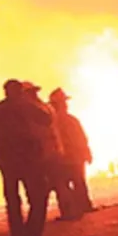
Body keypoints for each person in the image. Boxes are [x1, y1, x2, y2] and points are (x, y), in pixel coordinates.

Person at [0, 78, 53, 236]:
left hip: (6, 159)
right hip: (28, 158)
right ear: (20, 92)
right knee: (38, 197)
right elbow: (47, 119)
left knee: (13, 200)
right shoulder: (26, 106)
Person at [23, 82, 76, 220]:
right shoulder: (45, 108)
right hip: (53, 151)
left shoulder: (32, 110)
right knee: (60, 183)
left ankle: (66, 212)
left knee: (48, 186)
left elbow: (34, 133)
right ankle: (70, 211)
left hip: (42, 154)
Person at [49, 88, 96, 216]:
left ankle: (72, 210)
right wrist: (86, 152)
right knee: (72, 183)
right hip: (69, 158)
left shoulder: (54, 121)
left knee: (68, 184)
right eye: (63, 102)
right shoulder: (57, 121)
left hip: (69, 158)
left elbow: (81, 138)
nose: (65, 105)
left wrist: (86, 152)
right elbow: (81, 138)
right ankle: (79, 207)